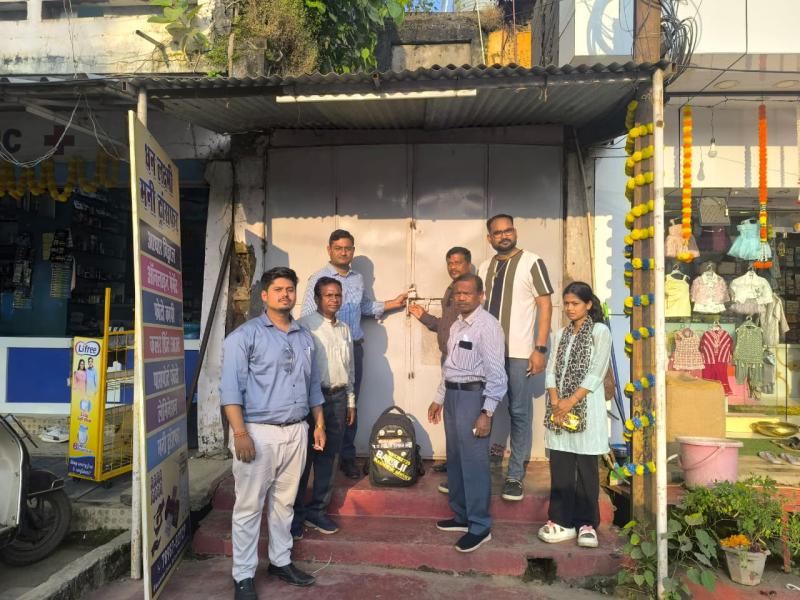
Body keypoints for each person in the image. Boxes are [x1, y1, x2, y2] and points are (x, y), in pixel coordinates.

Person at [221, 267, 327, 599]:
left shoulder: (305, 338)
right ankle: (243, 575)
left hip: (296, 431)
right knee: (249, 507)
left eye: (290, 289)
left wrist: (319, 424)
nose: (285, 294)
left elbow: (313, 387)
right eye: (278, 289)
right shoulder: (244, 337)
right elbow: (230, 391)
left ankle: (280, 561)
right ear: (265, 295)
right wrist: (240, 434)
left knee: (285, 504)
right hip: (257, 432)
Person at [301, 229, 407, 479]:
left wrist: (393, 303)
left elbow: (365, 306)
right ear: (329, 250)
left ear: (353, 251)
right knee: (319, 401)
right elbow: (306, 316)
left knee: (350, 405)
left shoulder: (358, 279)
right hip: (324, 349)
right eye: (338, 248)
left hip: (352, 347)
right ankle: (317, 455)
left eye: (348, 248)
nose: (343, 252)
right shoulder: (319, 278)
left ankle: (346, 457)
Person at [428, 274, 507, 554]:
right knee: (456, 459)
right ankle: (461, 515)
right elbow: (450, 366)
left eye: (467, 293)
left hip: (474, 399)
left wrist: (487, 412)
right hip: (452, 396)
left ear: (480, 296)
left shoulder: (488, 326)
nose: (460, 297)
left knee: (474, 461)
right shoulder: (456, 325)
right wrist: (439, 398)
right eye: (457, 293)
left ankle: (480, 525)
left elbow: (497, 375)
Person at [478, 213, 554, 502]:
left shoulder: (532, 261)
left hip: (519, 353)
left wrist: (540, 348)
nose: (504, 236)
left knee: (519, 412)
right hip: (486, 352)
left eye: (508, 230)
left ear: (515, 232)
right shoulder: (484, 266)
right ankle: (475, 471)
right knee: (481, 410)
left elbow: (545, 305)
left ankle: (514, 476)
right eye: (497, 233)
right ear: (490, 238)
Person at [537, 282, 611, 549]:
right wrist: (557, 400)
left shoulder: (600, 332)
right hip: (559, 410)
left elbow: (596, 371)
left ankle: (586, 524)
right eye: (566, 303)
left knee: (586, 469)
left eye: (575, 303)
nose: (569, 308)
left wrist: (571, 401)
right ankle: (560, 521)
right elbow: (551, 370)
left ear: (588, 305)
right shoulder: (560, 334)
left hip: (585, 408)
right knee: (560, 467)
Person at [292, 277, 355, 538]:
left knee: (330, 458)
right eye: (328, 295)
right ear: (317, 298)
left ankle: (317, 511)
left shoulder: (345, 329)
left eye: (337, 295)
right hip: (310, 401)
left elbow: (350, 368)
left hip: (338, 398)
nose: (334, 300)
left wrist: (351, 401)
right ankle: (295, 516)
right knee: (303, 459)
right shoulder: (304, 326)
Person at [409, 246, 472, 488]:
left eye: (458, 262)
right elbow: (446, 325)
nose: (453, 267)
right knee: (452, 418)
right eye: (450, 263)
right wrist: (424, 316)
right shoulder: (451, 290)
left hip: (461, 362)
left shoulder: (468, 292)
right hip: (448, 358)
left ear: (468, 264)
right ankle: (454, 462)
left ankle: (461, 473)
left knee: (463, 420)